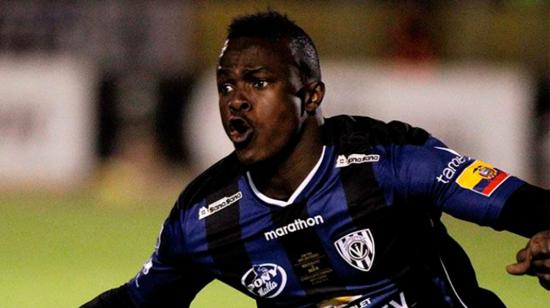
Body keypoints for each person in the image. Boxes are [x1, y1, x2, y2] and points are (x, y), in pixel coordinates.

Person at [83, 10, 550, 308]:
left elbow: (530, 208)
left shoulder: (388, 160)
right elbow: (135, 303)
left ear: (310, 95)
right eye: (226, 86)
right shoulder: (203, 219)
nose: (236, 101)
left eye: (258, 82)